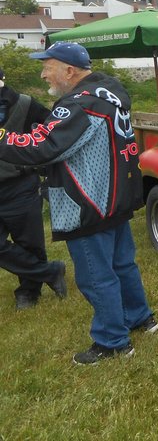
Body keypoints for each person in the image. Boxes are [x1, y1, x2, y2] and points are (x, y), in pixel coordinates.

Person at [0, 43, 158, 365]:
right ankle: (141, 319)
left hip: (87, 202)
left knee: (96, 276)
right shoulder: (108, 94)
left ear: (69, 70)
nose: (43, 73)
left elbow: (41, 146)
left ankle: (113, 342)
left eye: (47, 66)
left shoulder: (79, 105)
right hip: (114, 198)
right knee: (122, 265)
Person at [0, 67, 68, 310]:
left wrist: (40, 163)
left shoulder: (25, 105)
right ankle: (50, 272)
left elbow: (54, 133)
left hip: (20, 185)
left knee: (30, 242)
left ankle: (28, 292)